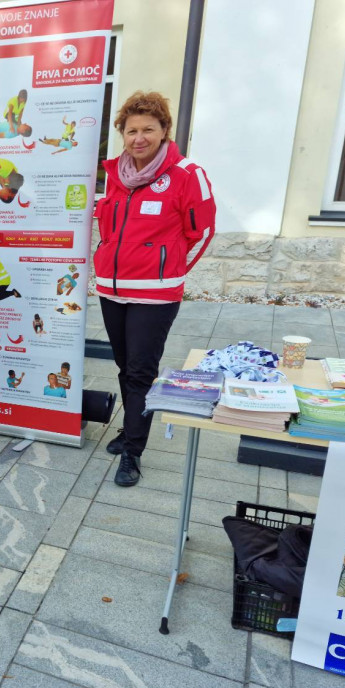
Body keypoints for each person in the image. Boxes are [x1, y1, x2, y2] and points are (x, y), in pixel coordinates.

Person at [93, 90, 216, 487]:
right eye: (131, 130)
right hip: (112, 290)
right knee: (124, 367)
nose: (139, 138)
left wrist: (172, 271)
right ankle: (130, 430)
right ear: (122, 134)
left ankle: (133, 452)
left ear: (164, 131)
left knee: (141, 372)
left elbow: (203, 230)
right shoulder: (115, 175)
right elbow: (108, 227)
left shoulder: (186, 174)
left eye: (149, 129)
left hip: (155, 294)